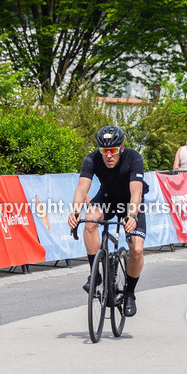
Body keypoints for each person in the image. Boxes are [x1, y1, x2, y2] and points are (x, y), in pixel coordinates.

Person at [67, 125, 148, 317]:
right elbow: (81, 189)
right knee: (90, 221)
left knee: (136, 249)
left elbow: (136, 191)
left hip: (130, 202)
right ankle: (96, 274)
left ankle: (129, 293)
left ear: (121, 148)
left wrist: (133, 215)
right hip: (107, 198)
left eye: (112, 151)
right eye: (104, 151)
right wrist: (76, 211)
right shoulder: (92, 158)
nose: (108, 156)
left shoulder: (134, 157)